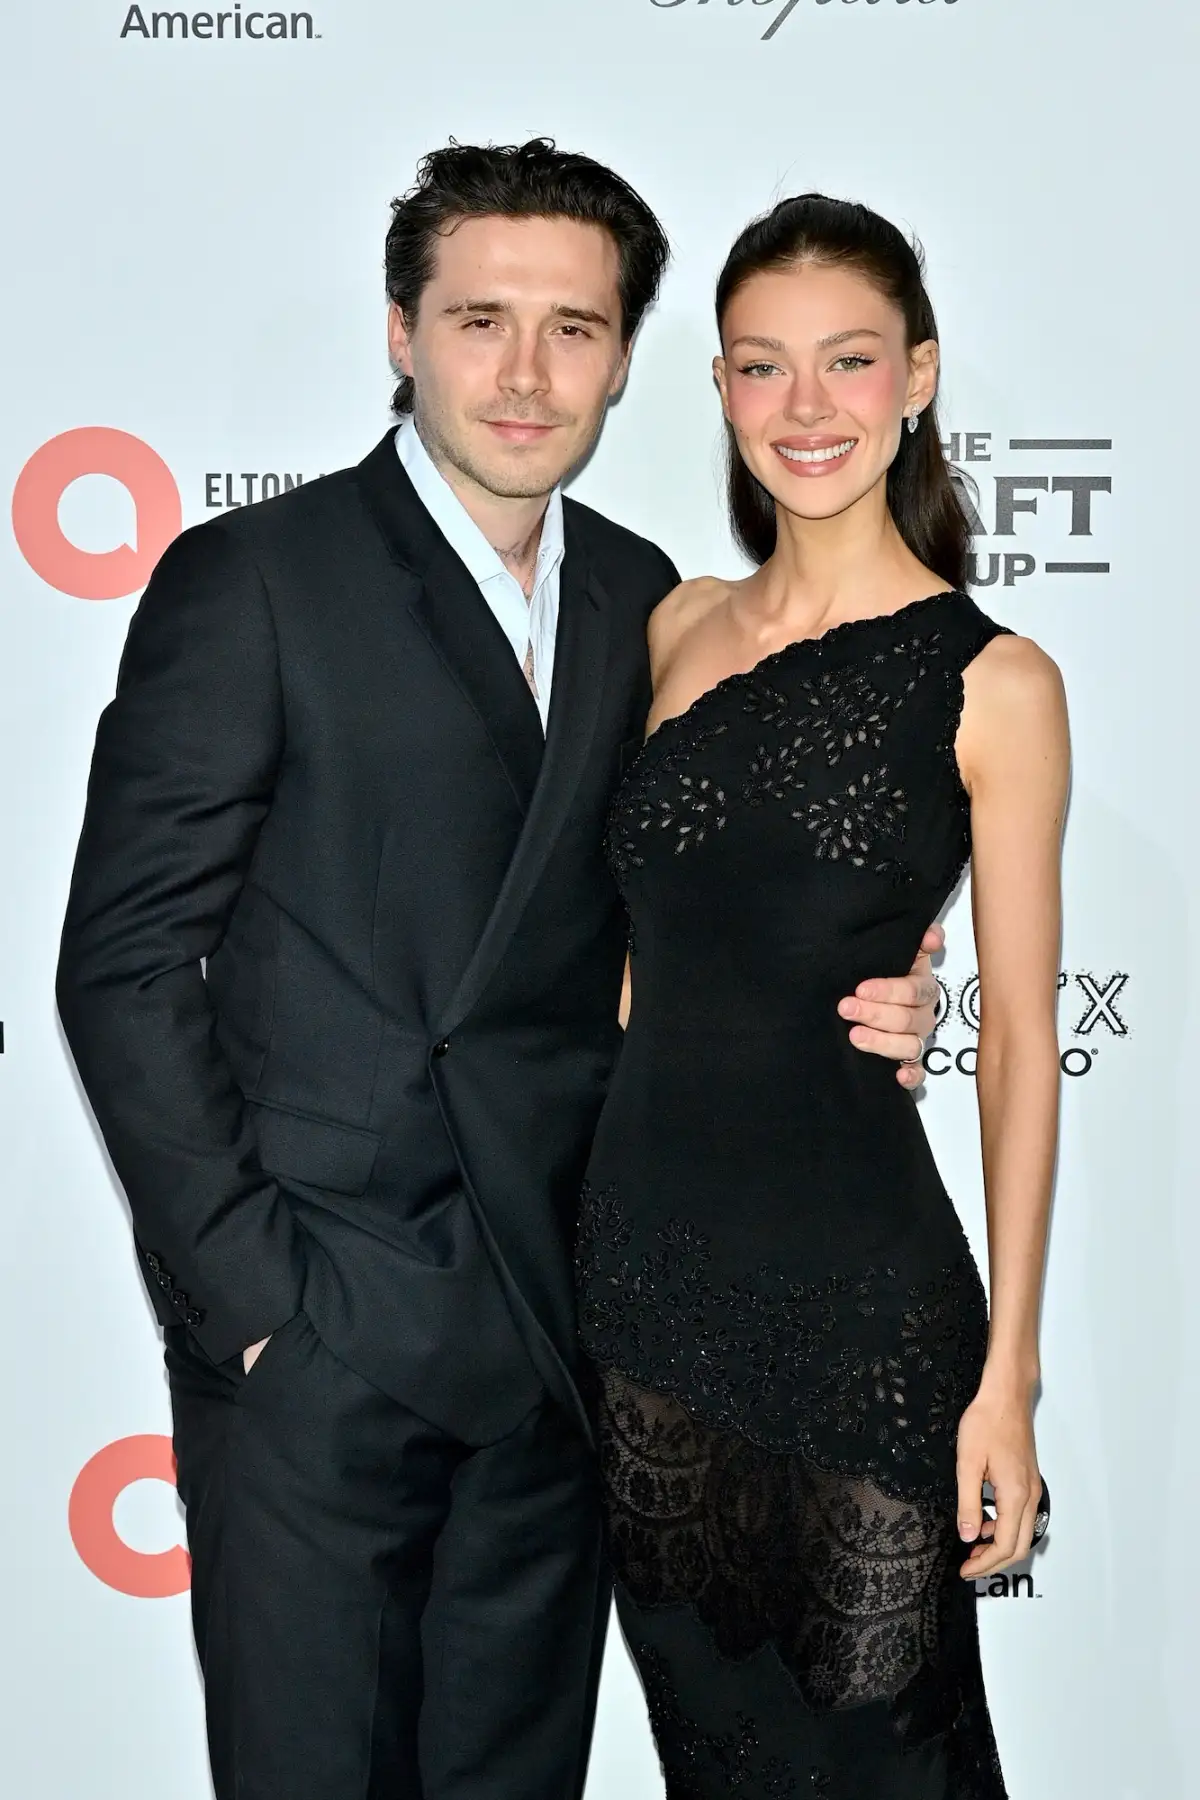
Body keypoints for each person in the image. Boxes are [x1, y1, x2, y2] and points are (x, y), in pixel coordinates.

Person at [57, 145, 944, 1800]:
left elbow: (683, 922)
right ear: (402, 333)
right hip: (321, 1336)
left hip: (562, 1339)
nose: (527, 374)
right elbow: (121, 962)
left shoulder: (643, 601)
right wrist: (256, 1311)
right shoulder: (258, 581)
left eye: (574, 329)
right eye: (481, 321)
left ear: (624, 360)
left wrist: (872, 984)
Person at [577, 192, 1067, 1799]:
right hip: (644, 1295)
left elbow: (1021, 1045)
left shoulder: (994, 681)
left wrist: (1008, 1380)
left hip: (864, 1309)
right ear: (718, 384)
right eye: (762, 365)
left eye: (848, 361)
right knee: (716, 1758)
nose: (806, 406)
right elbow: (632, 963)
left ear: (916, 376)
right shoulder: (669, 626)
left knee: (887, 1758)